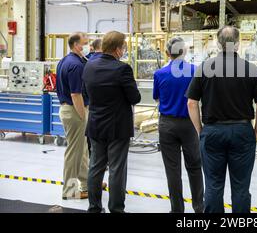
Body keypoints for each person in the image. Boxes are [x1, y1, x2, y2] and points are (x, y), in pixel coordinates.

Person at [186, 26, 257, 213]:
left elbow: (192, 103)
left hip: (212, 132)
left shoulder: (204, 68)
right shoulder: (252, 69)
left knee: (213, 185)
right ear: (239, 44)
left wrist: (201, 130)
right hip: (242, 133)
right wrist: (256, 132)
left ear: (218, 44)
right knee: (241, 188)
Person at [83, 31, 141, 213]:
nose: (124, 50)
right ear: (117, 49)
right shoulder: (122, 69)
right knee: (116, 169)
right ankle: (116, 209)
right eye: (123, 47)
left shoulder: (89, 67)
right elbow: (135, 98)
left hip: (95, 124)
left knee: (95, 167)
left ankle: (94, 207)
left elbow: (86, 94)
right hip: (117, 128)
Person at [153, 36, 204, 213]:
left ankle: (177, 210)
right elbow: (197, 99)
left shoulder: (159, 74)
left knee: (172, 169)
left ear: (167, 53)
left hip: (167, 124)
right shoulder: (195, 71)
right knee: (194, 166)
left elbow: (158, 98)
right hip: (189, 123)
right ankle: (199, 206)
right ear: (185, 51)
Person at [56, 32, 91, 200]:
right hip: (75, 110)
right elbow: (76, 94)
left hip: (68, 109)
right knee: (73, 153)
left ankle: (87, 183)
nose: (87, 47)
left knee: (81, 150)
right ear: (77, 46)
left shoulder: (64, 60)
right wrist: (83, 116)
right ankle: (69, 191)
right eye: (85, 44)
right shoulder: (76, 65)